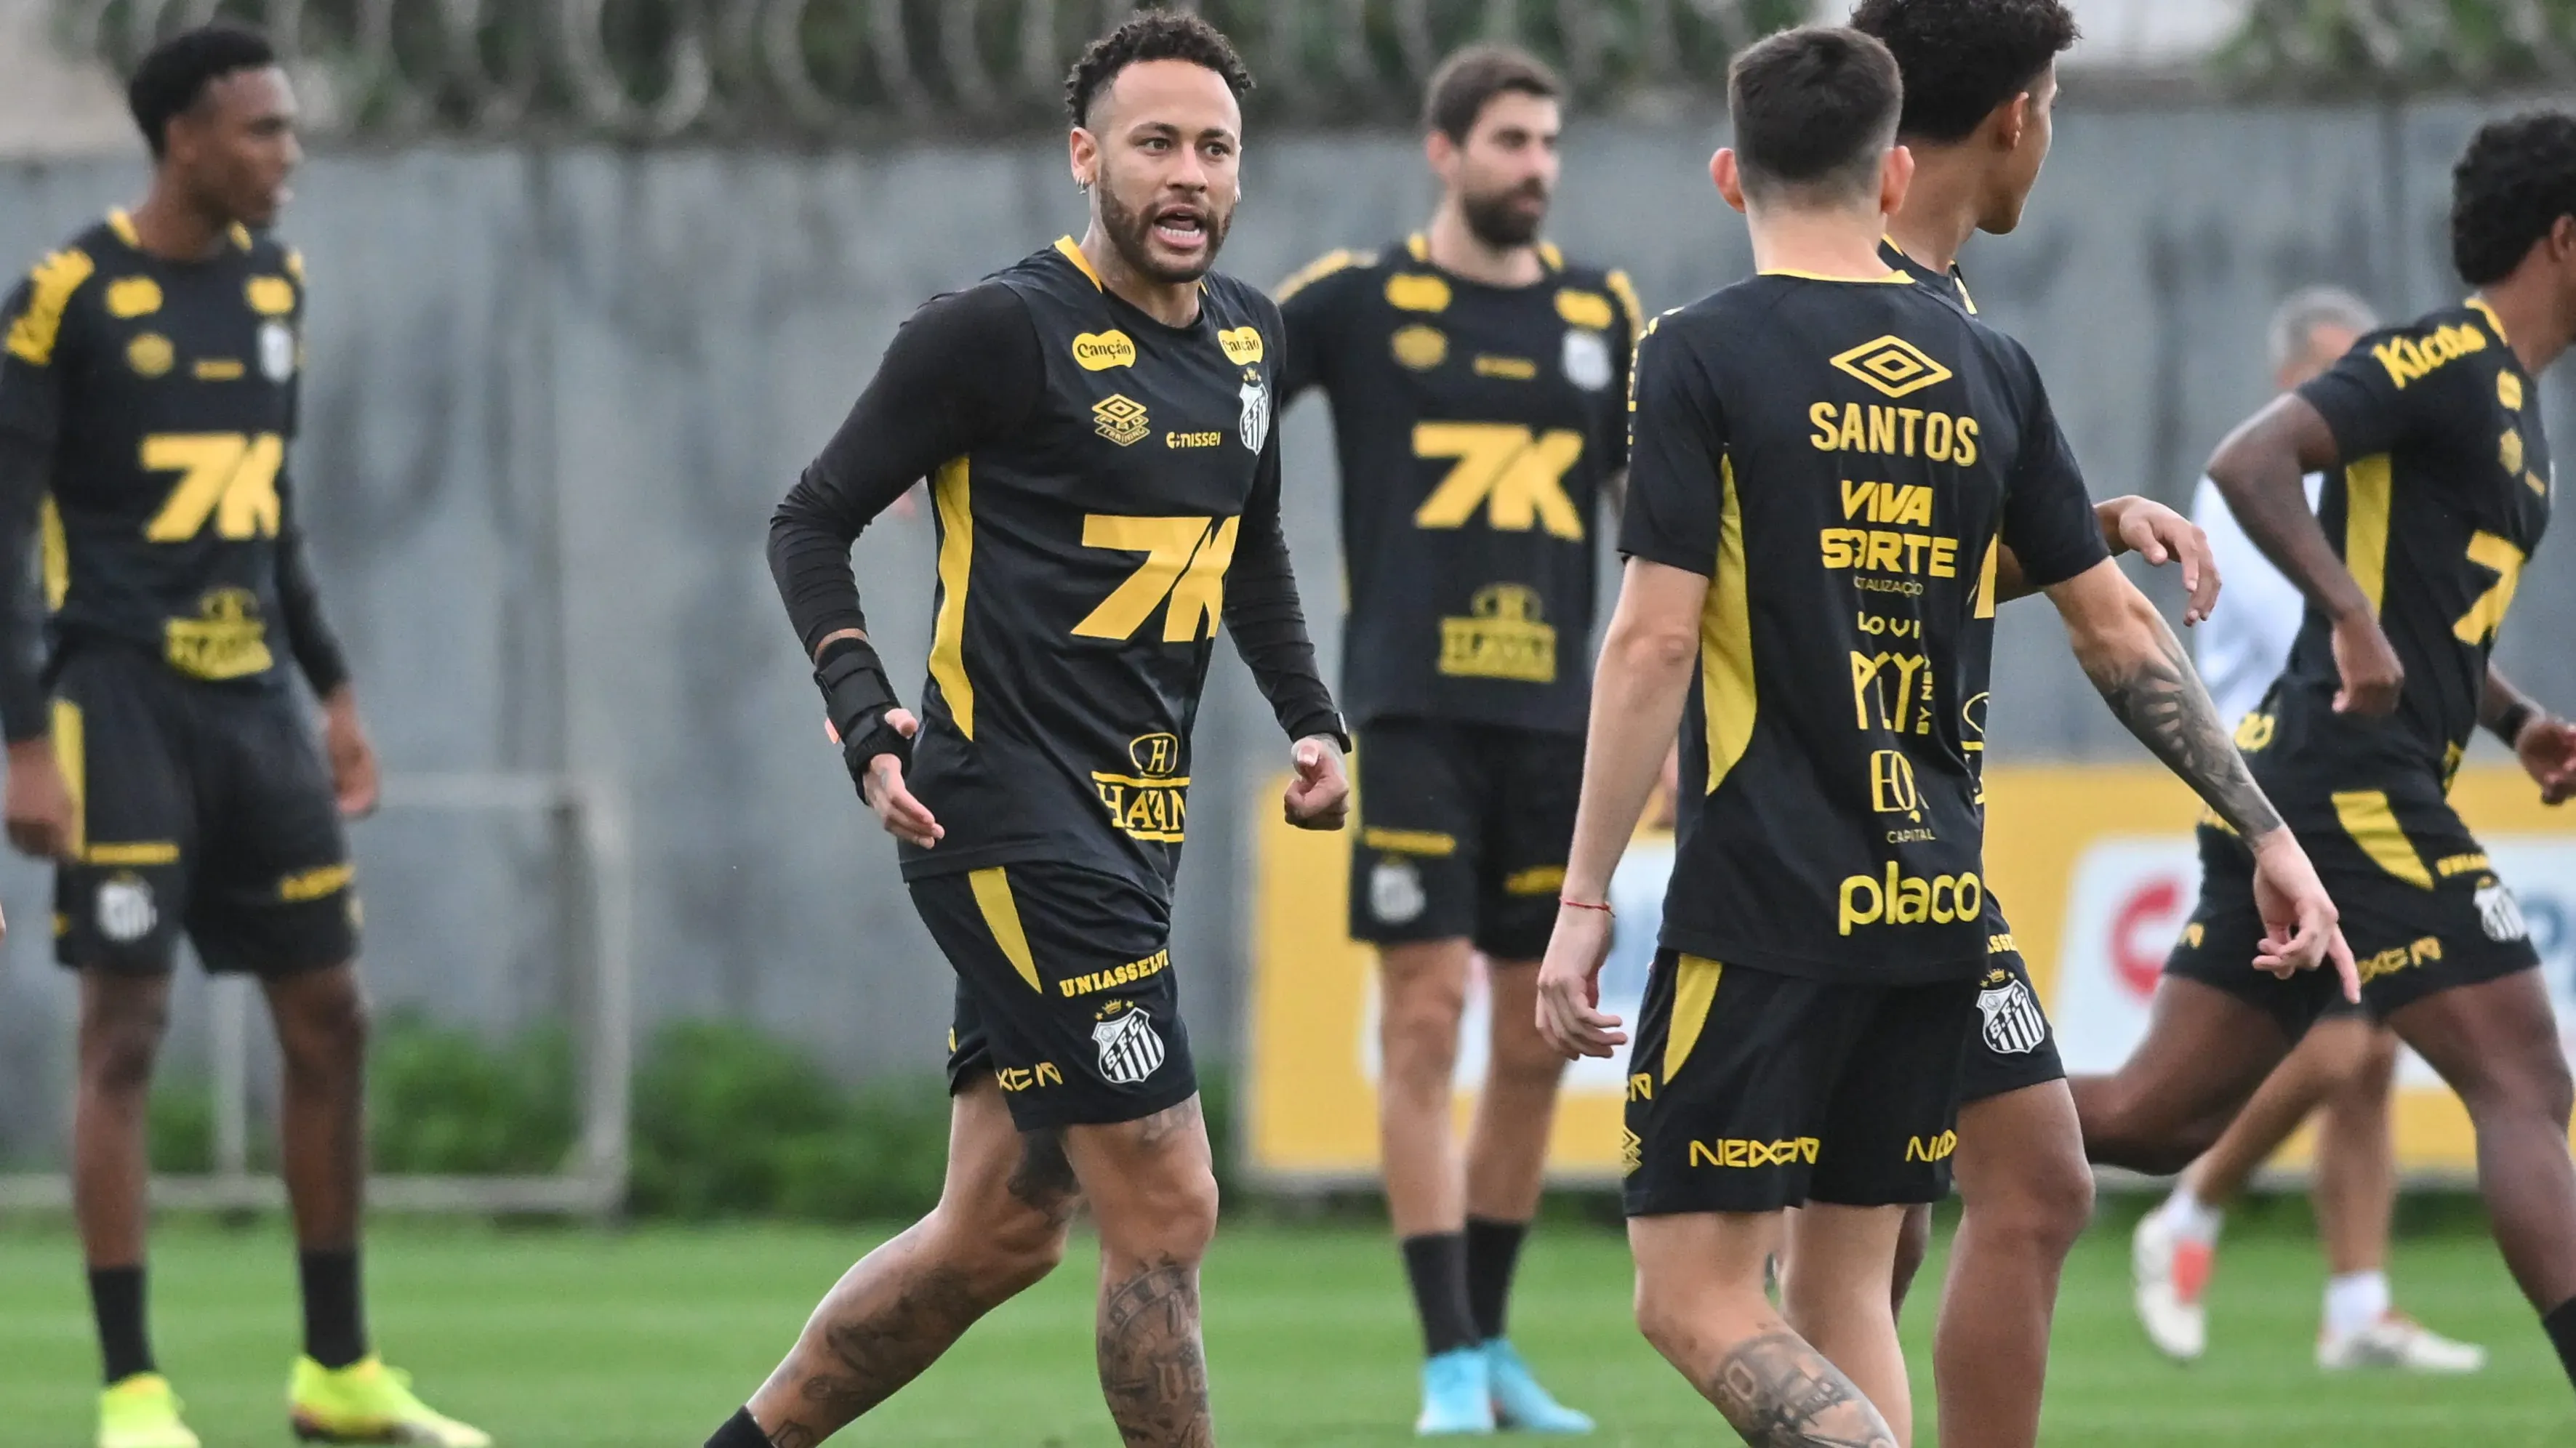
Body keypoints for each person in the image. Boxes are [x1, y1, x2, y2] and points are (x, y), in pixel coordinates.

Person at [1532, 25, 2351, 1447]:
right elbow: (2114, 630)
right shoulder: (1990, 364)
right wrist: (2264, 829)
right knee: (1854, 1277)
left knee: (1691, 1291)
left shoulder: (1697, 354)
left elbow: (1656, 636)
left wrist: (1585, 893)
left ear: (1729, 175)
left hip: (1767, 895)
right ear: (1901, 162)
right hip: (1928, 895)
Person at [702, 14, 1350, 1448]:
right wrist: (865, 713)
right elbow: (810, 521)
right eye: (1155, 144)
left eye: (1215, 148)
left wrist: (1312, 720)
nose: (1188, 175)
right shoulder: (995, 331)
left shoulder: (1252, 337)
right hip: (1003, 817)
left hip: (1136, 828)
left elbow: (1250, 553)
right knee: (1170, 1205)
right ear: (1085, 157)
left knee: (997, 1232)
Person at [0, 26, 486, 1448]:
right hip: (117, 706)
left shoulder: (278, 285)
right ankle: (133, 1391)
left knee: (332, 1017)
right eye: (264, 130)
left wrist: (330, 689)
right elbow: (5, 544)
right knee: (127, 1025)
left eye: (290, 128)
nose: (288, 155)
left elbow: (271, 514)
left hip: (254, 706)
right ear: (185, 142)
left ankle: (337, 1372)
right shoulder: (62, 301)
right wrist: (22, 739)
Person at [2072, 110, 2576, 1404]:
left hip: (2313, 777)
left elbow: (2424, 619)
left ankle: (1870, 1099)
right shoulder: (2440, 355)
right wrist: (2344, 616)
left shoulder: (2513, 401)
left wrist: (2512, 720)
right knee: (2522, 1076)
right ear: (2562, 240)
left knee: (2150, 1118)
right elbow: (2251, 461)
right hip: (2348, 778)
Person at [1842, 5, 2217, 1443]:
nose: (2048, 140)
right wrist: (2269, 830)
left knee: (1931, 1213)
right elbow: (2107, 634)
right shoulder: (1869, 311)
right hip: (1853, 832)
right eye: (2052, 106)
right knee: (1970, 1201)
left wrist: (2075, 526)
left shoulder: (1936, 317)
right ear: (2013, 116)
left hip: (1903, 830)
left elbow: (1888, 569)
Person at [1275, 41, 1636, 1436]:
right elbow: (1218, 376)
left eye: (1549, 144)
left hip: (1561, 732)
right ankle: (1441, 1362)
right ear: (1444, 153)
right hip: (1414, 719)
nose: (1534, 168)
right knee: (1421, 1025)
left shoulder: (1606, 313)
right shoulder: (1362, 303)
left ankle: (1488, 1350)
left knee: (1537, 1043)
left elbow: (1656, 529)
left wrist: (1660, 717)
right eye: (1508, 143)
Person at [2132, 285, 2487, 1372]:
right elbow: (2336, 641)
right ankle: (2184, 1212)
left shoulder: (2344, 506)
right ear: (2293, 382)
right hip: (2274, 796)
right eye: (2339, 373)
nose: (2360, 398)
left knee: (2372, 1055)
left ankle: (2355, 1302)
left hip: (2334, 791)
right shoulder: (2247, 495)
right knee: (2342, 1041)